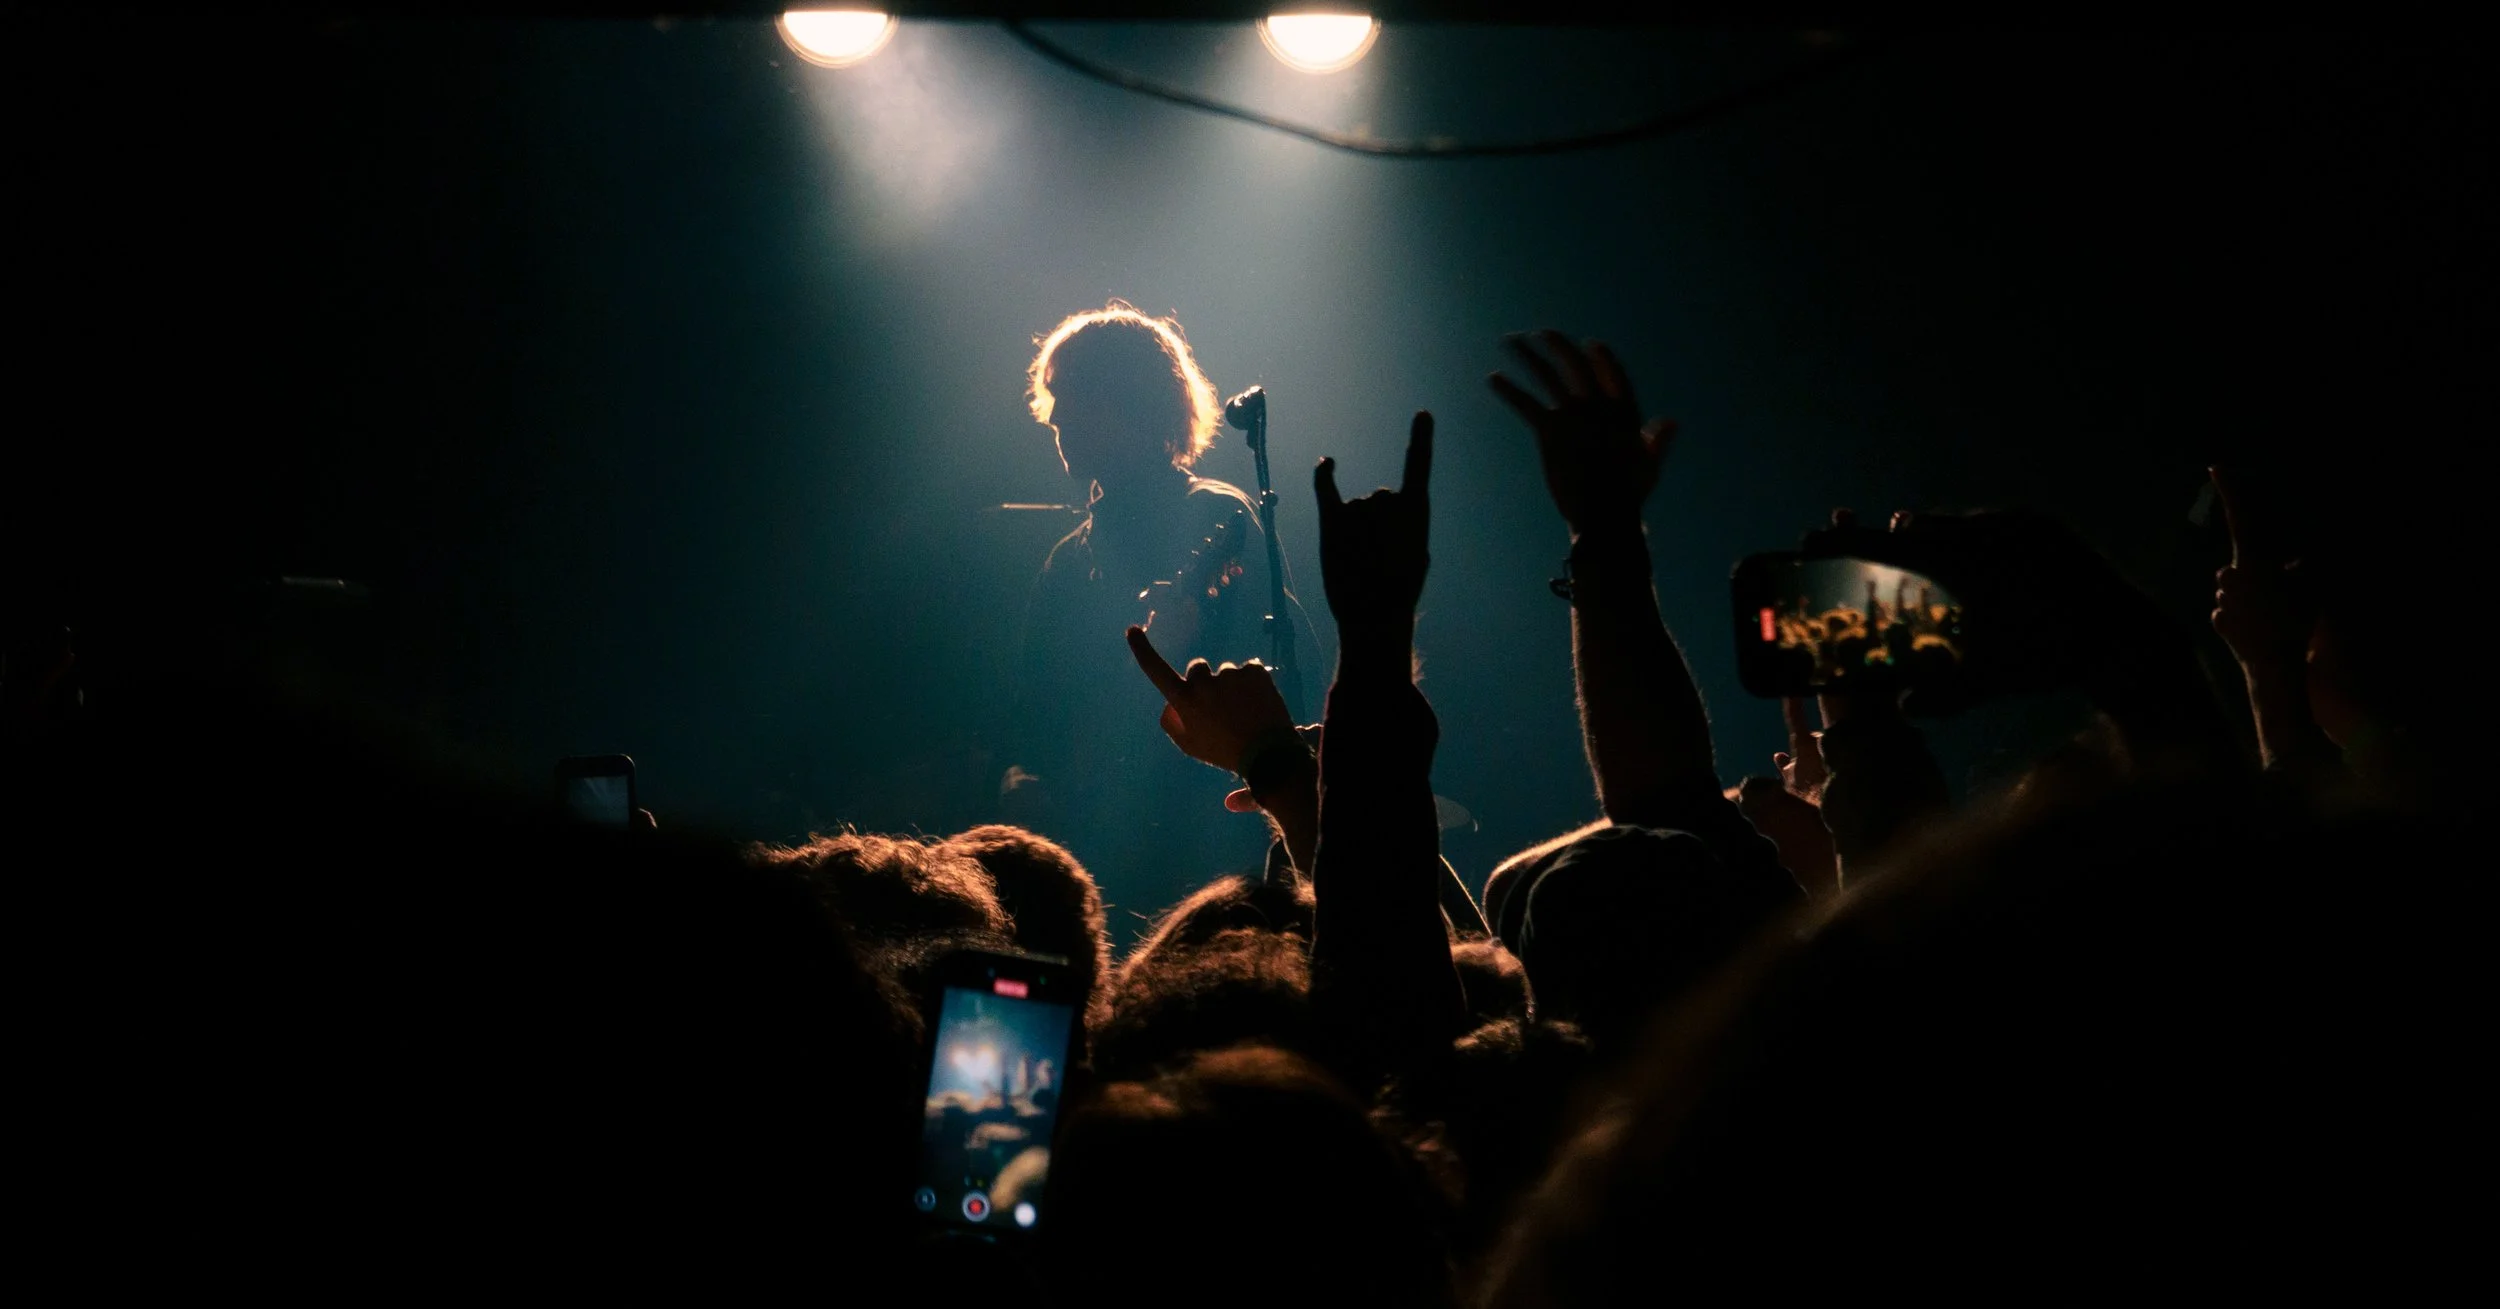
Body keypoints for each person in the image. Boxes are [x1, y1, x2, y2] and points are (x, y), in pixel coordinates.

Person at [998, 301, 1317, 922]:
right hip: (1091, 846)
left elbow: (1284, 685)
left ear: (1138, 405)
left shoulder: (1214, 515)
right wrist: (1023, 772)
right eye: (1055, 398)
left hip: (1196, 848)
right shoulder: (1067, 560)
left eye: (1079, 396)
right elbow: (1034, 706)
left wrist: (1195, 650)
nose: (1057, 417)